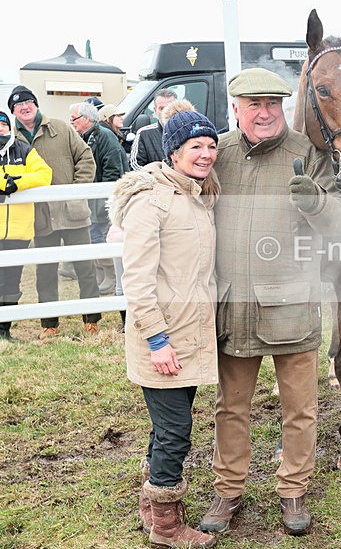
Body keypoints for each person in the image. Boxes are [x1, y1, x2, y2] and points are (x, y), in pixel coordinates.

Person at [200, 68, 341, 536]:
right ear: (237, 109)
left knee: (300, 408)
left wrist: (318, 203)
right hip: (233, 306)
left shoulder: (308, 153)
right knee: (231, 406)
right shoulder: (216, 153)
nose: (264, 113)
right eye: (254, 105)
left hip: (292, 305)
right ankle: (228, 490)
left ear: (282, 107)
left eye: (272, 104)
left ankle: (293, 490)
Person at [109, 110, 220, 548]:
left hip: (189, 334)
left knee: (166, 426)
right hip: (164, 340)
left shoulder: (195, 195)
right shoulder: (151, 201)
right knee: (175, 432)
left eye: (211, 146)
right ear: (173, 151)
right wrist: (157, 339)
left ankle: (150, 502)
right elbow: (136, 281)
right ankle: (166, 527)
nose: (206, 154)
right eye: (195, 147)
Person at [8, 85, 101, 339]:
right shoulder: (10, 139)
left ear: (36, 104)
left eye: (28, 102)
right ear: (13, 111)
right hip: (39, 217)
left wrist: (75, 191)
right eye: (18, 106)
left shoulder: (61, 128)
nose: (24, 107)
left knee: (85, 267)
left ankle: (91, 320)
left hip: (73, 213)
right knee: (45, 272)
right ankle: (50, 324)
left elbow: (86, 158)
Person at [0, 111, 52, 341]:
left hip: (19, 231)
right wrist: (3, 182)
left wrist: (17, 183)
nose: (0, 129)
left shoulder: (24, 150)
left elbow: (44, 174)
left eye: (2, 124)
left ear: (9, 127)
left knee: (12, 281)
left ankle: (4, 329)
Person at [69, 101, 125, 295]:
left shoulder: (104, 137)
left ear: (86, 119)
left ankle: (110, 274)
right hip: (95, 195)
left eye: (74, 118)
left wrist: (103, 200)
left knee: (99, 235)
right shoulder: (89, 136)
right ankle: (103, 273)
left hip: (104, 196)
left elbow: (113, 170)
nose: (72, 122)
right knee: (94, 235)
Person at [130, 88, 178, 170]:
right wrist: (158, 176)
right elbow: (135, 165)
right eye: (162, 108)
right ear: (155, 110)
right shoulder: (144, 133)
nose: (166, 112)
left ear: (176, 108)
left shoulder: (189, 131)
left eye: (169, 107)